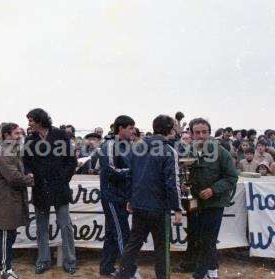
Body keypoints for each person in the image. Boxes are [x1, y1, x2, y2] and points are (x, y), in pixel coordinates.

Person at [115, 115, 183, 279]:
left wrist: (131, 199)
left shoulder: (138, 147)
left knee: (133, 244)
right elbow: (171, 182)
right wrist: (177, 208)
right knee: (161, 248)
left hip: (139, 204)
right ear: (170, 129)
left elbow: (131, 175)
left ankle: (122, 275)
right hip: (159, 207)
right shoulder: (168, 151)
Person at [23, 108, 78, 275]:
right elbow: (26, 162)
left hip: (59, 188)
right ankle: (43, 260)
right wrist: (29, 172)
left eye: (31, 120)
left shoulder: (60, 135)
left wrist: (63, 178)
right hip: (40, 188)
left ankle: (70, 261)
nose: (29, 123)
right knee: (41, 227)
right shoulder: (29, 139)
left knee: (65, 225)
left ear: (40, 120)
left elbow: (71, 161)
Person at [186, 118, 238, 279]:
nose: (201, 135)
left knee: (208, 238)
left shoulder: (221, 152)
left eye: (204, 132)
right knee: (198, 237)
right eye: (197, 132)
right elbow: (184, 176)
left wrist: (213, 190)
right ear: (191, 134)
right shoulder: (188, 152)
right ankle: (212, 270)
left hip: (214, 203)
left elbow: (231, 177)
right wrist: (184, 185)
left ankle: (199, 274)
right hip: (194, 203)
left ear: (209, 133)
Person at [0, 123, 34, 279]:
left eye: (20, 133)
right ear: (6, 135)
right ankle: (6, 270)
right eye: (16, 133)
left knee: (5, 233)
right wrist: (32, 179)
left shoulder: (11, 150)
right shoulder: (5, 152)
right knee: (7, 233)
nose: (20, 136)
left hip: (8, 197)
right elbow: (14, 178)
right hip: (5, 199)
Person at [98, 115, 135, 277]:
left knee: (113, 233)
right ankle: (129, 271)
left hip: (122, 196)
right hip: (112, 197)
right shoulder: (110, 145)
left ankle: (106, 268)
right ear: (120, 128)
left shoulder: (128, 145)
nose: (133, 131)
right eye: (130, 128)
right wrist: (134, 173)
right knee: (122, 233)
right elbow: (110, 170)